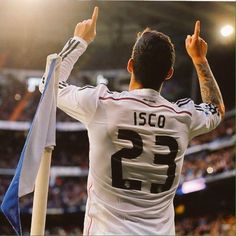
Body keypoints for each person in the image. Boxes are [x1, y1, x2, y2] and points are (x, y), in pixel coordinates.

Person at [40, 6, 225, 235]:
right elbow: (215, 108)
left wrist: (79, 40)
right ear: (168, 73)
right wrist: (200, 59)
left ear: (130, 66)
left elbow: (48, 86)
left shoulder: (101, 104)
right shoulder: (183, 118)